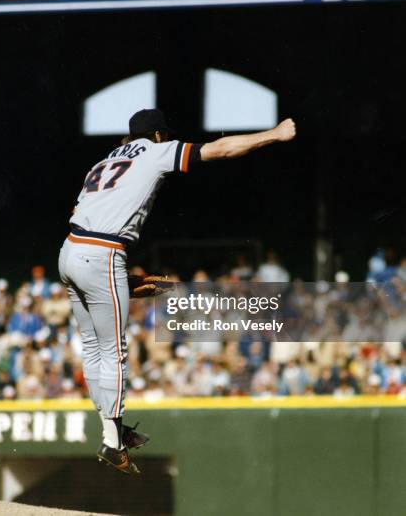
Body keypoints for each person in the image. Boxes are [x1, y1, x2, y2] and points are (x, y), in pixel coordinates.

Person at [58, 108, 296, 473]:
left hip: (70, 250)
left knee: (93, 347)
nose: (167, 140)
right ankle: (112, 439)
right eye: (164, 135)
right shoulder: (154, 151)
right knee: (114, 350)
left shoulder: (103, 161)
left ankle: (111, 431)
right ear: (156, 136)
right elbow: (220, 150)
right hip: (102, 252)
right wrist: (273, 134)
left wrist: (114, 279)